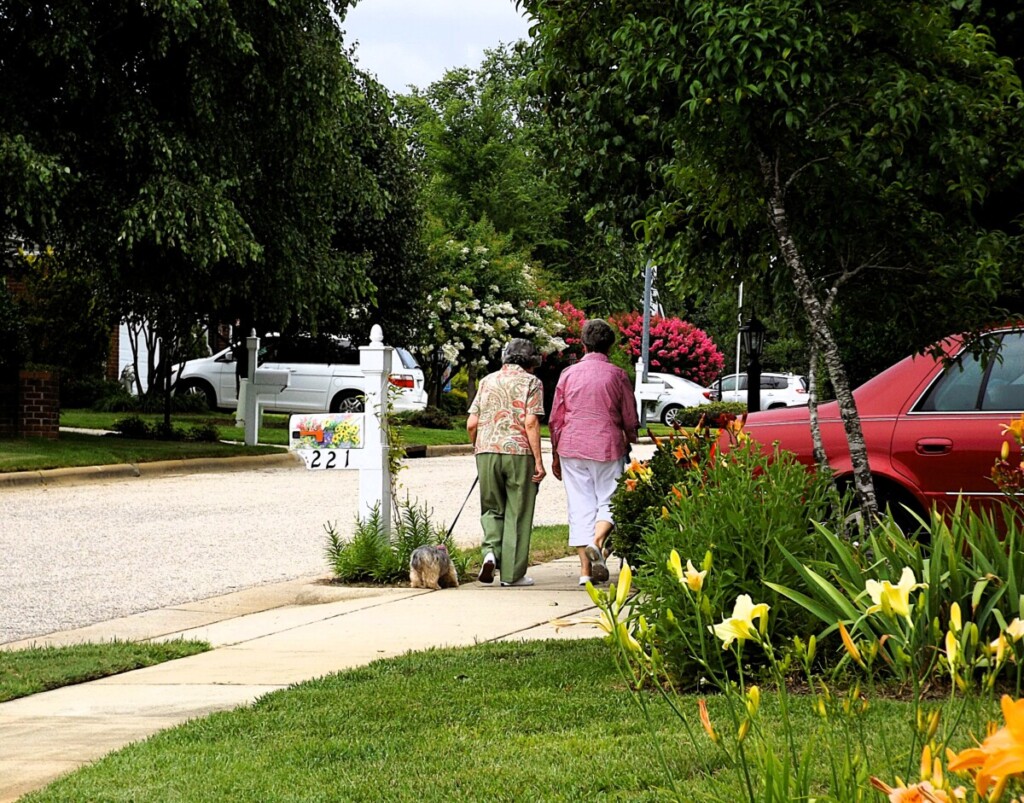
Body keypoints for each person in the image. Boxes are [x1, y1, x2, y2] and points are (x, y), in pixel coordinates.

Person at [549, 319, 639, 586]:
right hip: (607, 445)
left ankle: (585, 572)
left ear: (583, 343)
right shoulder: (617, 375)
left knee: (579, 506)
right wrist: (630, 438)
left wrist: (555, 453)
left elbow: (556, 419)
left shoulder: (568, 375)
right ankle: (597, 541)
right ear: (610, 345)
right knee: (609, 499)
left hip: (572, 446)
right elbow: (629, 417)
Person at [467, 339, 547, 587]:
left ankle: (490, 552)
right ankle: (512, 575)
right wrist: (539, 460)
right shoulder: (532, 383)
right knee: (518, 511)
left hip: (486, 450)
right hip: (519, 452)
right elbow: (531, 423)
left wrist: (478, 446)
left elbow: (471, 423)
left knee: (491, 508)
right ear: (531, 362)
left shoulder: (487, 381)